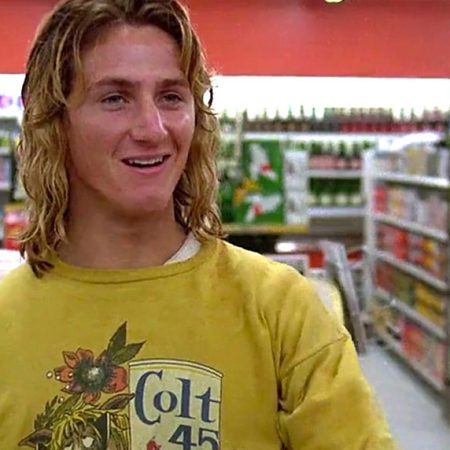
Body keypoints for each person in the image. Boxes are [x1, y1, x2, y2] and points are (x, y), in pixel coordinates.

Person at [0, 1, 398, 449]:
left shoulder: (282, 310)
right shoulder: (7, 320)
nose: (153, 129)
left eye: (171, 97)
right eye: (115, 98)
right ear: (55, 123)